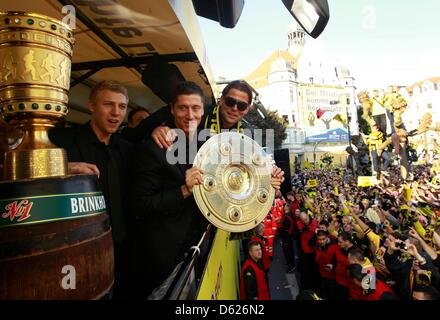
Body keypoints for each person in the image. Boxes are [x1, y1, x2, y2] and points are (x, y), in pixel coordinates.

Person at [49, 80, 133, 299]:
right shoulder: (61, 141)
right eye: (108, 104)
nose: (116, 113)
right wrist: (61, 166)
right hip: (76, 251)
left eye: (122, 107)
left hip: (123, 249)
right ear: (92, 106)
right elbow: (10, 165)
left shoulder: (127, 149)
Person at [130, 81, 208, 299]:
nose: (190, 115)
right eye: (182, 108)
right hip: (166, 261)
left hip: (202, 250)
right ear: (172, 109)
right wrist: (184, 190)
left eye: (195, 108)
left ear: (203, 110)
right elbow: (140, 205)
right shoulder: (154, 147)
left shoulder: (210, 146)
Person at [314, 230, 338, 299]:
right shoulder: (318, 245)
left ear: (327, 238)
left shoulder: (334, 246)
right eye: (319, 239)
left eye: (323, 239)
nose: (321, 241)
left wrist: (333, 265)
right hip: (322, 274)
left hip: (332, 277)